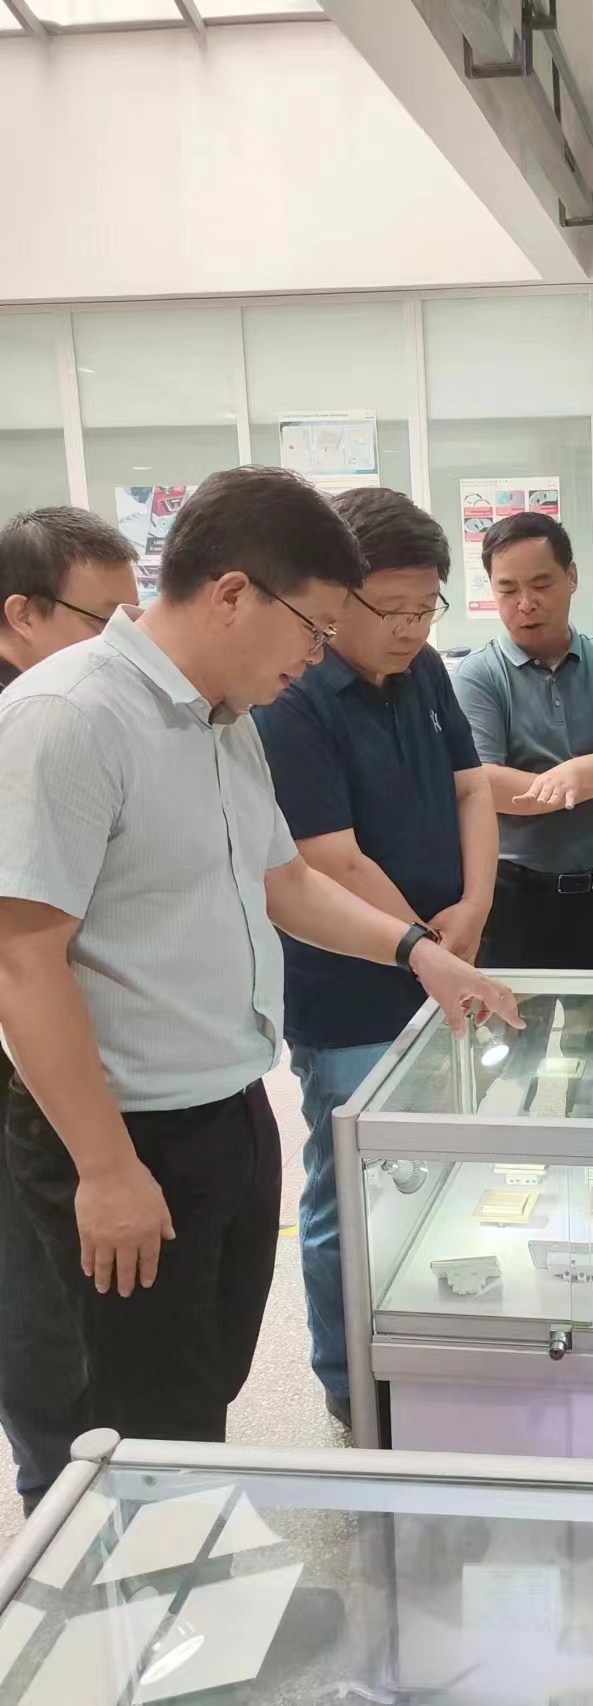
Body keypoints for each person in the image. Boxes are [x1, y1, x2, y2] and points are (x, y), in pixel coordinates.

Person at [0, 466, 519, 1492]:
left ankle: (180, 1561)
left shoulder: (224, 719)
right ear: (234, 593)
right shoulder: (67, 716)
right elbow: (22, 960)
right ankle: (135, 1586)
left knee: (199, 1388)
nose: (318, 655)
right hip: (121, 1131)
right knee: (132, 1425)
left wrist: (420, 953)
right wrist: (105, 1169)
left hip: (227, 1105)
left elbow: (286, 882)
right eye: (314, 628)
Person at [253, 487, 498, 1427]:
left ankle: (436, 1347)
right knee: (352, 1190)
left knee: (446, 1174)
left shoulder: (426, 668)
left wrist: (475, 908)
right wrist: (428, 948)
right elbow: (331, 858)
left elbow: (473, 790)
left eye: (425, 607)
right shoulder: (294, 699)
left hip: (447, 962)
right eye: (387, 609)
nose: (409, 629)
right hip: (351, 992)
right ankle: (351, 1378)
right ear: (333, 597)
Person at [0, 507, 139, 1513]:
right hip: (21, 1056)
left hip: (56, 1050)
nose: (124, 643)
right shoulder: (35, 723)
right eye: (105, 621)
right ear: (22, 614)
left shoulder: (86, 712)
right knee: (39, 1303)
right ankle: (64, 1504)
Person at [453, 510, 593, 971]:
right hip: (514, 897)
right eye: (507, 590)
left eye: (541, 584)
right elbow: (484, 784)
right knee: (512, 1015)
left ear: (572, 577)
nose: (525, 603)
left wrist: (574, 773)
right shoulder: (479, 675)